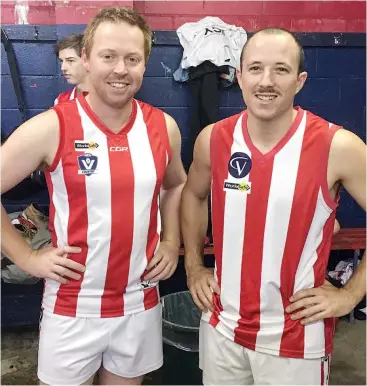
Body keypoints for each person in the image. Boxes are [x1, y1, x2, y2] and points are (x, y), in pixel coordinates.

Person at [1, 7, 187, 385]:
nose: (121, 69)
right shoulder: (52, 127)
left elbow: (176, 184)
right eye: (108, 56)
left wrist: (171, 241)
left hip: (139, 301)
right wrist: (27, 257)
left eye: (132, 59)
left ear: (144, 63)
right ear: (86, 59)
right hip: (74, 305)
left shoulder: (162, 128)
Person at [181, 27, 366, 385]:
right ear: (239, 76)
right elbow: (193, 195)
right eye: (255, 68)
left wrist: (351, 295)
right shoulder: (213, 139)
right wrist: (193, 266)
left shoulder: (338, 146)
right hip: (221, 326)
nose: (266, 81)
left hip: (296, 338)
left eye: (280, 70)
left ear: (299, 81)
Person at [54, 33, 89, 105]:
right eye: (61, 61)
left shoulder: (109, 100)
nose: (63, 68)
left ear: (87, 61)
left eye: (70, 61)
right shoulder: (61, 101)